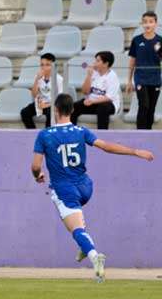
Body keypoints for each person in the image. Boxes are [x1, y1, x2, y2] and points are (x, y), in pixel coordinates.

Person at [31, 93, 154, 282]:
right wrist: (135, 151)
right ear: (72, 111)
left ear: (55, 110)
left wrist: (37, 175)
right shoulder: (81, 131)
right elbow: (106, 146)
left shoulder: (45, 135)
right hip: (86, 188)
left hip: (65, 189)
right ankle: (84, 246)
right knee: (78, 223)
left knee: (76, 230)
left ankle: (95, 256)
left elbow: (35, 166)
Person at [127, 11, 162, 130]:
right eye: (145, 22)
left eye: (151, 22)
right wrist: (129, 81)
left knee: (151, 108)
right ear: (142, 24)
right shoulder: (137, 40)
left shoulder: (159, 41)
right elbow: (132, 60)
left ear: (156, 24)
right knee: (144, 105)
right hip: (141, 78)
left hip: (155, 79)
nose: (148, 24)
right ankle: (140, 133)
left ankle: (148, 133)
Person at [71, 51, 121, 130]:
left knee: (103, 108)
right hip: (92, 103)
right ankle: (71, 133)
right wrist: (89, 75)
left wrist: (93, 101)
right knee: (73, 106)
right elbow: (85, 91)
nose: (94, 63)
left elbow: (109, 97)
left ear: (106, 64)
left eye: (98, 61)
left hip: (108, 104)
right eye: (95, 60)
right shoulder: (94, 73)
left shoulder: (112, 76)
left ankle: (102, 135)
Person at [20, 53, 64, 129]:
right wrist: (37, 79)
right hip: (41, 104)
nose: (44, 67)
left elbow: (60, 100)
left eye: (47, 65)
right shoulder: (39, 77)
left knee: (51, 114)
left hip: (53, 105)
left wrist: (47, 105)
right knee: (24, 112)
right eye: (42, 65)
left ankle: (48, 135)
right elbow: (34, 94)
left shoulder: (59, 79)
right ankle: (32, 132)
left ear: (53, 66)